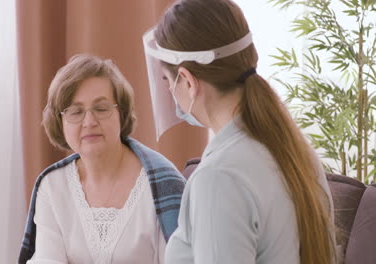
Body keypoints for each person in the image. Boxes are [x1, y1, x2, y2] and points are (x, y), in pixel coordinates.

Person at [142, 0, 338, 263]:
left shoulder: (218, 177)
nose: (170, 92)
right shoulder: (293, 149)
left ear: (187, 81)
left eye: (168, 80)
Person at [18, 54, 185, 264]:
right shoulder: (52, 186)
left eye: (101, 109)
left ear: (121, 114)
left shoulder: (163, 185)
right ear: (60, 122)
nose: (89, 121)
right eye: (76, 112)